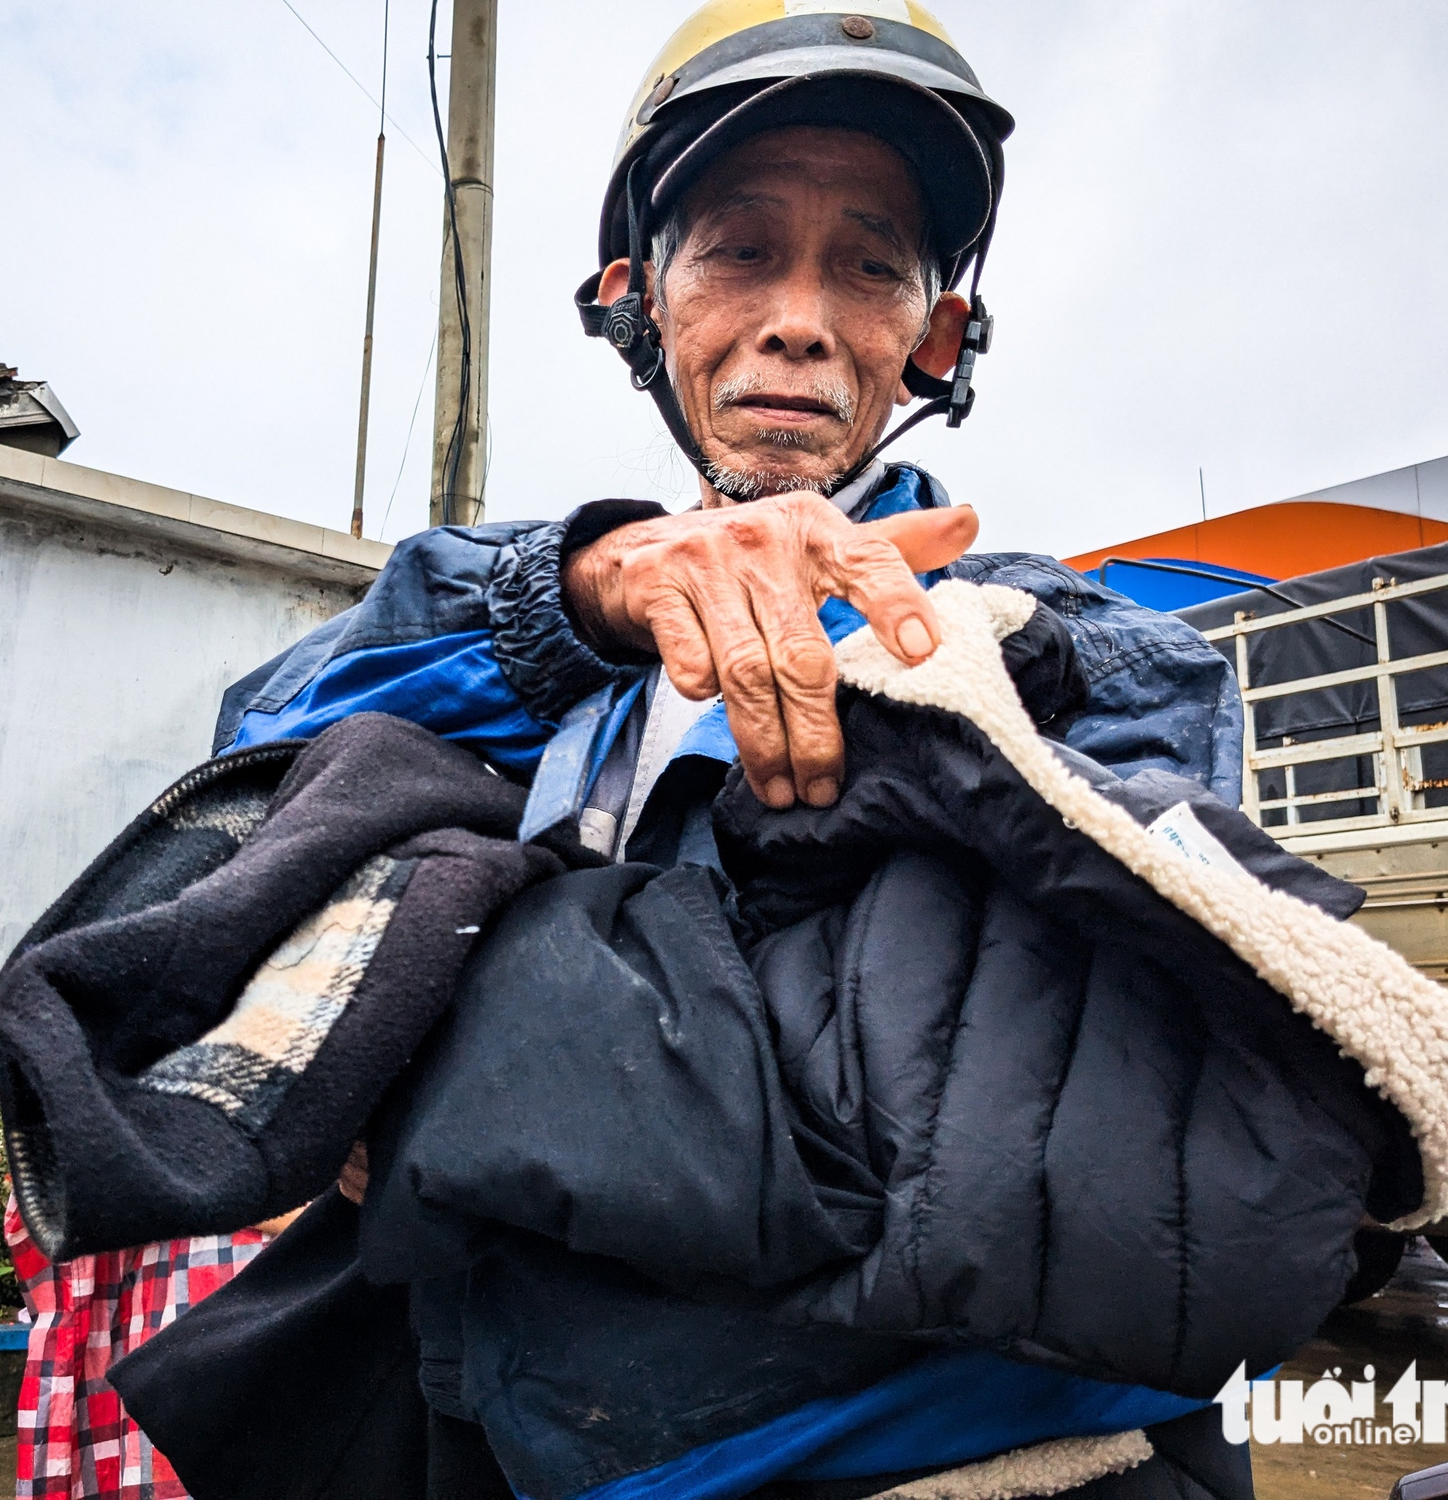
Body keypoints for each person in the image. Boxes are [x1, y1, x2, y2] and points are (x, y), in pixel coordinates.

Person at [202, 3, 1249, 1495]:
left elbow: (1122, 1014)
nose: (801, 316)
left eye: (871, 263)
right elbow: (257, 763)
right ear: (641, 300)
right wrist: (594, 591)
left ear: (934, 337)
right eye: (742, 247)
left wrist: (439, 1077)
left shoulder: (1055, 648)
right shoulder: (543, 635)